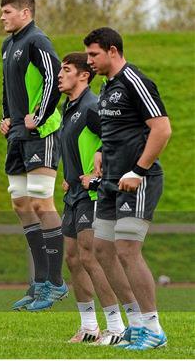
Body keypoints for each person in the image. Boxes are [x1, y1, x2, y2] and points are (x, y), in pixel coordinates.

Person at [84, 27, 171, 350]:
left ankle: (154, 329)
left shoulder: (135, 81)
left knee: (126, 250)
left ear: (113, 51)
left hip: (138, 181)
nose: (89, 61)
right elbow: (118, 130)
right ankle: (134, 325)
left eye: (94, 54)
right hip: (110, 183)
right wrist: (101, 154)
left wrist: (138, 169)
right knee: (102, 250)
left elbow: (162, 129)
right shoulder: (107, 87)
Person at [59, 53, 139, 345]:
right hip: (74, 195)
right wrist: (70, 177)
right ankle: (89, 326)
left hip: (94, 194)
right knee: (73, 259)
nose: (59, 75)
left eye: (66, 70)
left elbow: (115, 140)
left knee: (91, 257)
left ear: (83, 76)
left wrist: (96, 173)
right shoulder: (68, 109)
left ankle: (117, 327)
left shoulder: (92, 106)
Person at [0, 0, 66, 311]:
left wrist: (38, 117)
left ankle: (55, 282)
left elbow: (54, 78)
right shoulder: (8, 45)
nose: (2, 17)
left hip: (42, 132)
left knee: (41, 202)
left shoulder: (38, 41)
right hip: (17, 134)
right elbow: (7, 85)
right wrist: (5, 117)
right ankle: (39, 282)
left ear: (25, 13)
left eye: (8, 12)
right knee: (20, 203)